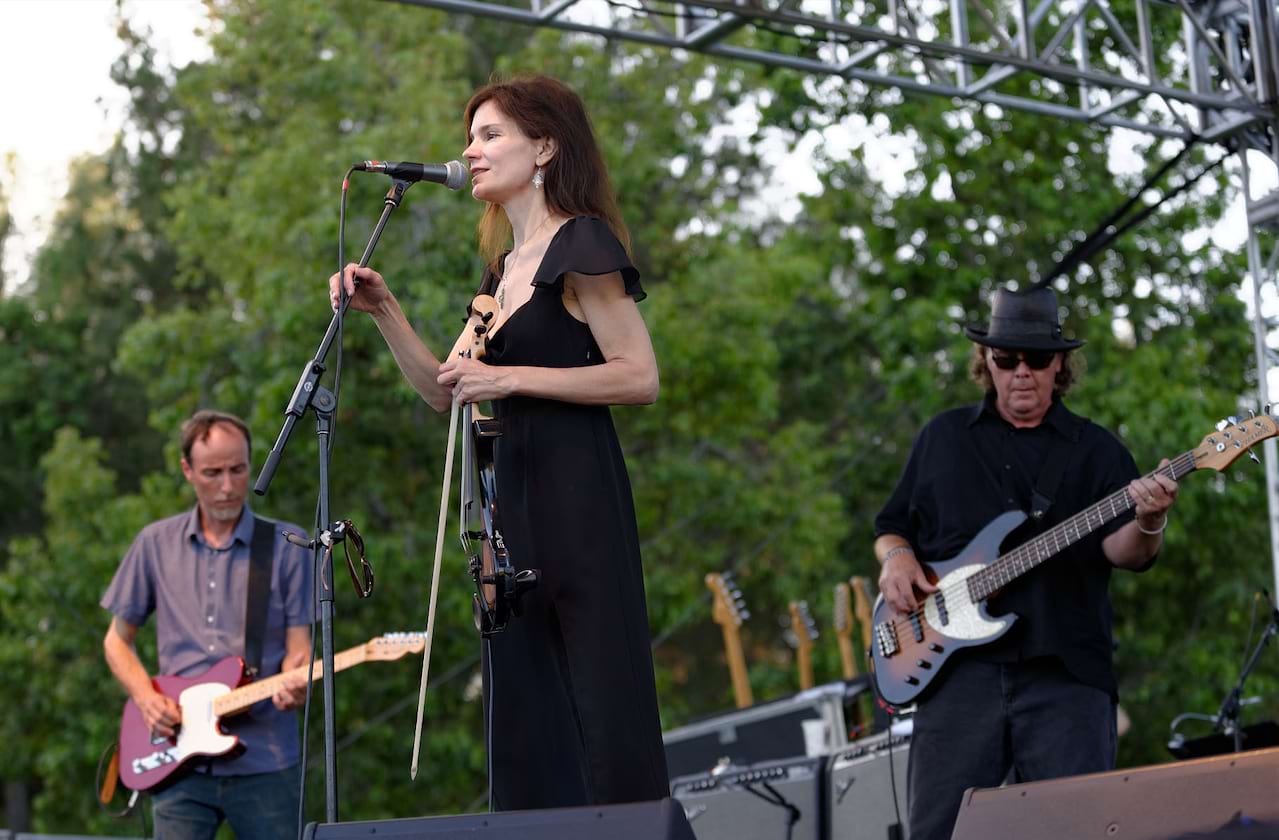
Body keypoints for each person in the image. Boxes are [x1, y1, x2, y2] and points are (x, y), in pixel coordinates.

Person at [329, 75, 669, 809]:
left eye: (490, 135)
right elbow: (444, 390)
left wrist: (511, 378)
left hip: (576, 507)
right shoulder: (499, 273)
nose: (469, 151)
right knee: (528, 728)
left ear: (544, 146)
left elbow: (638, 376)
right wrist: (383, 310)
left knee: (597, 714)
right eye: (471, 136)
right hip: (508, 525)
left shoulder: (580, 242)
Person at [873, 287, 1178, 840]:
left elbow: (1126, 553)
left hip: (1065, 676)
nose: (1021, 373)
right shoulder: (942, 439)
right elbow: (891, 525)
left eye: (1037, 360)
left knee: (1080, 830)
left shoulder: (1098, 451)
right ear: (986, 362)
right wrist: (894, 557)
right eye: (1006, 359)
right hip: (955, 679)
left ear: (1059, 364)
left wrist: (1150, 519)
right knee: (940, 831)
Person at [102, 410, 314, 839]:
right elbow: (116, 641)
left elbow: (299, 648)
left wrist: (297, 680)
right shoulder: (155, 544)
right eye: (212, 473)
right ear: (187, 470)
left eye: (237, 470)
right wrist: (146, 698)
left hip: (266, 757)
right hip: (177, 757)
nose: (228, 486)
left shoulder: (288, 545)